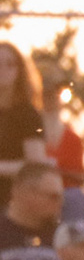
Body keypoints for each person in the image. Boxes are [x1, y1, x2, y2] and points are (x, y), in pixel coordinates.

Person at [0, 41, 48, 202]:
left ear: (19, 71)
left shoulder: (28, 115)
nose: (3, 69)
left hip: (13, 200)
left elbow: (35, 165)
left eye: (10, 64)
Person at [41, 73, 84, 224]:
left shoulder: (73, 138)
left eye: (55, 93)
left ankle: (74, 236)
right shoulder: (28, 134)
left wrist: (57, 171)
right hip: (36, 190)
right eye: (46, 94)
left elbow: (80, 176)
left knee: (75, 198)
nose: (51, 99)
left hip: (66, 193)